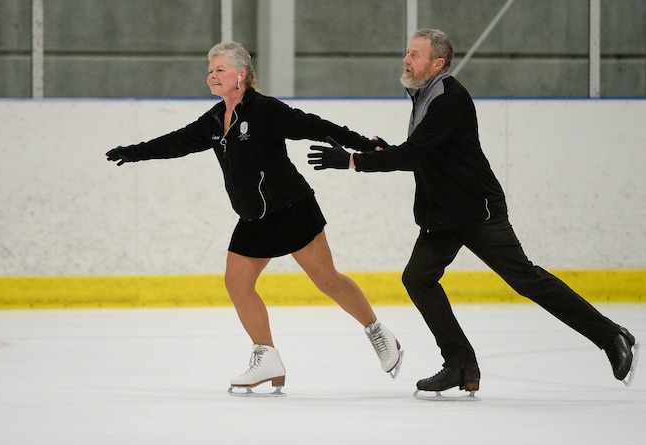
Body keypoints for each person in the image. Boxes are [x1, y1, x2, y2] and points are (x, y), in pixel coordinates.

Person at [307, 28, 638, 396]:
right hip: (442, 215)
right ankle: (461, 364)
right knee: (418, 278)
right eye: (407, 52)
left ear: (438, 63)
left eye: (415, 54)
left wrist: (352, 160)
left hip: (476, 210)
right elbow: (420, 151)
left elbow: (413, 155)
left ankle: (611, 336)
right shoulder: (423, 95)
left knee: (526, 279)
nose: (406, 59)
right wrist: (381, 150)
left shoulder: (450, 98)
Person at [105, 41, 403, 395]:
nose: (212, 76)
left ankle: (379, 333)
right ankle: (267, 357)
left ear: (241, 76)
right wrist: (135, 153)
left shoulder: (265, 111)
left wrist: (366, 147)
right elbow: (177, 141)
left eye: (220, 70)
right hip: (254, 217)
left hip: (291, 208)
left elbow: (313, 125)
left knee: (327, 281)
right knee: (237, 283)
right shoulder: (216, 119)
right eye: (210, 70)